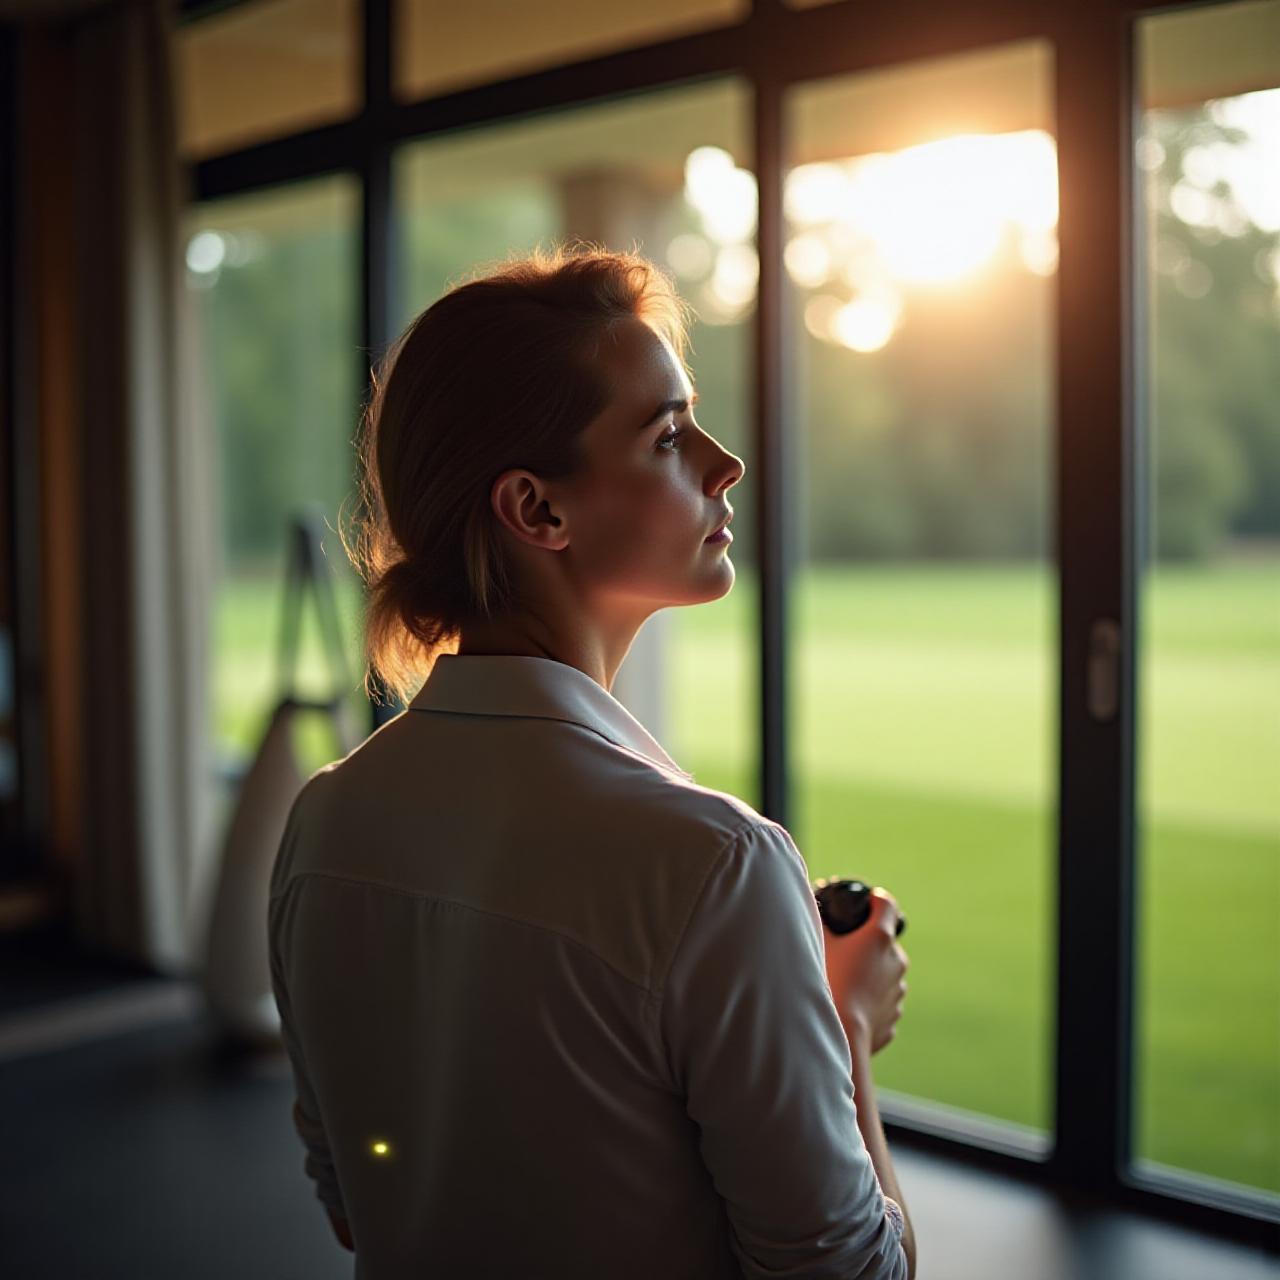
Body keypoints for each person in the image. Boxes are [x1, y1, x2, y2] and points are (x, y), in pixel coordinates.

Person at [268, 244, 916, 1279]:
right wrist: (842, 1032)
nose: (724, 463)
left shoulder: (321, 823)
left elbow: (356, 1205)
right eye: (667, 435)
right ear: (536, 510)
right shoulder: (715, 866)